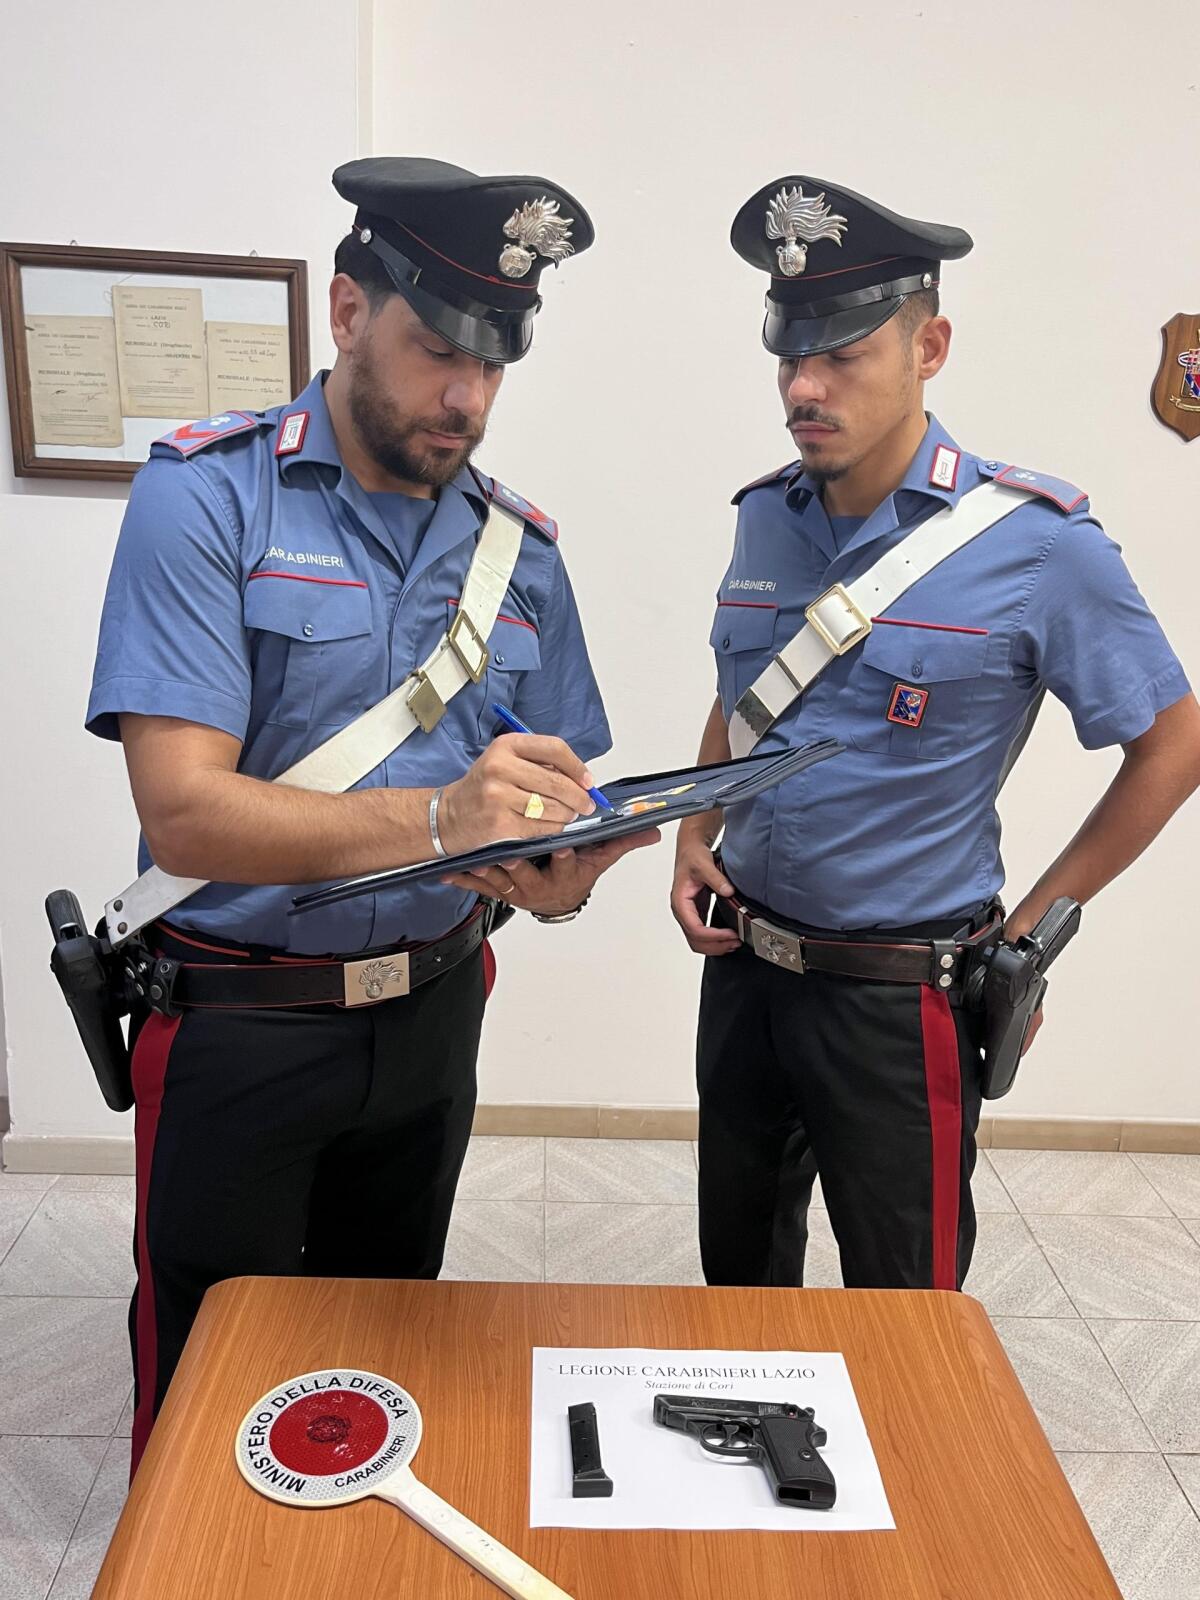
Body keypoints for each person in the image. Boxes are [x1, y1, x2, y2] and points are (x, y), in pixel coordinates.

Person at [86, 157, 654, 1473]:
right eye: (437, 349)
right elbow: (184, 814)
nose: (467, 397)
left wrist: (560, 875)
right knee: (208, 1372)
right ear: (348, 311)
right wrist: (446, 819)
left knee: (380, 1353)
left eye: (495, 362)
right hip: (243, 1018)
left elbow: (541, 809)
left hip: (435, 1011)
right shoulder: (208, 496)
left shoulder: (522, 553)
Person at [670, 173, 1200, 1293]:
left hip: (898, 999)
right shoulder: (766, 515)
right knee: (740, 1289)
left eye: (842, 355)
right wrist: (692, 833)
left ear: (930, 347)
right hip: (745, 973)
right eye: (787, 354)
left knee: (905, 1309)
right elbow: (745, 690)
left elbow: (1174, 740)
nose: (803, 386)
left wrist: (1033, 936)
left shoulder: (1039, 545)